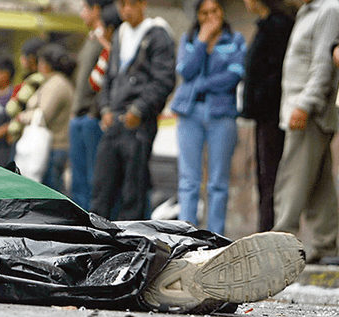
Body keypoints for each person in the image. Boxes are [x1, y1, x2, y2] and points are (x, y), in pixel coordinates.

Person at [90, 0, 176, 221]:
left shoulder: (157, 34)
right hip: (114, 122)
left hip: (138, 124)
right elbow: (109, 78)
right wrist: (105, 108)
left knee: (133, 192)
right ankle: (99, 243)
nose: (126, 9)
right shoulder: (120, 34)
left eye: (131, 4)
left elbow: (164, 80)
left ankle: (130, 246)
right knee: (101, 189)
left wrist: (139, 109)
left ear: (143, 4)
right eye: (122, 4)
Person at [170, 0, 246, 235]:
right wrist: (203, 39)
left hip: (221, 114)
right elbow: (185, 71)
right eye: (204, 13)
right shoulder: (190, 39)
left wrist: (202, 83)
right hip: (190, 112)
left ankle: (215, 235)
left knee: (218, 183)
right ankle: (186, 235)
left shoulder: (235, 40)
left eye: (215, 11)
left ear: (223, 12)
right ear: (198, 16)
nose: (210, 16)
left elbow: (234, 76)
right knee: (189, 181)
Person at [272, 0, 339, 264]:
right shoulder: (306, 12)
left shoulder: (329, 9)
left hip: (308, 112)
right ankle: (328, 245)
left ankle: (280, 245)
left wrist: (305, 104)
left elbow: (323, 64)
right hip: (298, 109)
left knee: (292, 179)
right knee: (318, 185)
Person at [242, 0, 295, 233]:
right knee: (265, 177)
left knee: (272, 176)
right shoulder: (266, 24)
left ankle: (270, 232)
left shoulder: (278, 25)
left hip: (274, 114)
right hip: (264, 114)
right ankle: (266, 230)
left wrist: (261, 97)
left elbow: (278, 69)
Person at [68, 0, 113, 211]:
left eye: (85, 8)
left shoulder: (108, 38)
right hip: (79, 116)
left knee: (94, 179)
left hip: (91, 118)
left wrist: (94, 112)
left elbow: (103, 82)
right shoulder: (91, 39)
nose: (82, 14)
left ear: (96, 10)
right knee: (78, 181)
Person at [14, 44, 76, 191]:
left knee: (49, 192)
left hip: (53, 147)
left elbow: (43, 114)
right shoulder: (52, 82)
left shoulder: (57, 84)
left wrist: (22, 117)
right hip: (49, 147)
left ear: (47, 64)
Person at [6, 37, 47, 143]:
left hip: (27, 137)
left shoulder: (34, 81)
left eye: (24, 56)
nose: (21, 60)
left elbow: (12, 109)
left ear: (32, 59)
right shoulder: (42, 79)